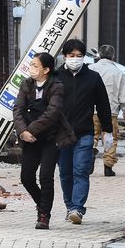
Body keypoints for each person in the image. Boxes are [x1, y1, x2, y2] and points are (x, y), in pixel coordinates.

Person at [13, 52, 76, 230]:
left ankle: (44, 215)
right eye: (31, 65)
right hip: (29, 139)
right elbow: (18, 109)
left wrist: (30, 130)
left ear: (46, 70)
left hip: (51, 137)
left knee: (46, 176)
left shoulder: (56, 86)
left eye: (35, 65)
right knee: (26, 177)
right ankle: (42, 204)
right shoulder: (26, 84)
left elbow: (53, 113)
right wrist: (22, 131)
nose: (31, 68)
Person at [55, 38, 113, 225]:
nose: (75, 59)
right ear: (64, 56)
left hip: (84, 132)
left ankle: (77, 209)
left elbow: (103, 105)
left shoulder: (93, 78)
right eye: (71, 56)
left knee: (81, 170)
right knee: (65, 172)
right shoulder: (55, 77)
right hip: (61, 134)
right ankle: (69, 205)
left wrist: (108, 131)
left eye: (79, 56)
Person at [88, 44, 125, 176]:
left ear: (99, 55)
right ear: (113, 56)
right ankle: (108, 167)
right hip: (111, 111)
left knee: (90, 135)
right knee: (110, 137)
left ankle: (89, 157)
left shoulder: (90, 68)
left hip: (91, 110)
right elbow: (123, 95)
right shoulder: (118, 72)